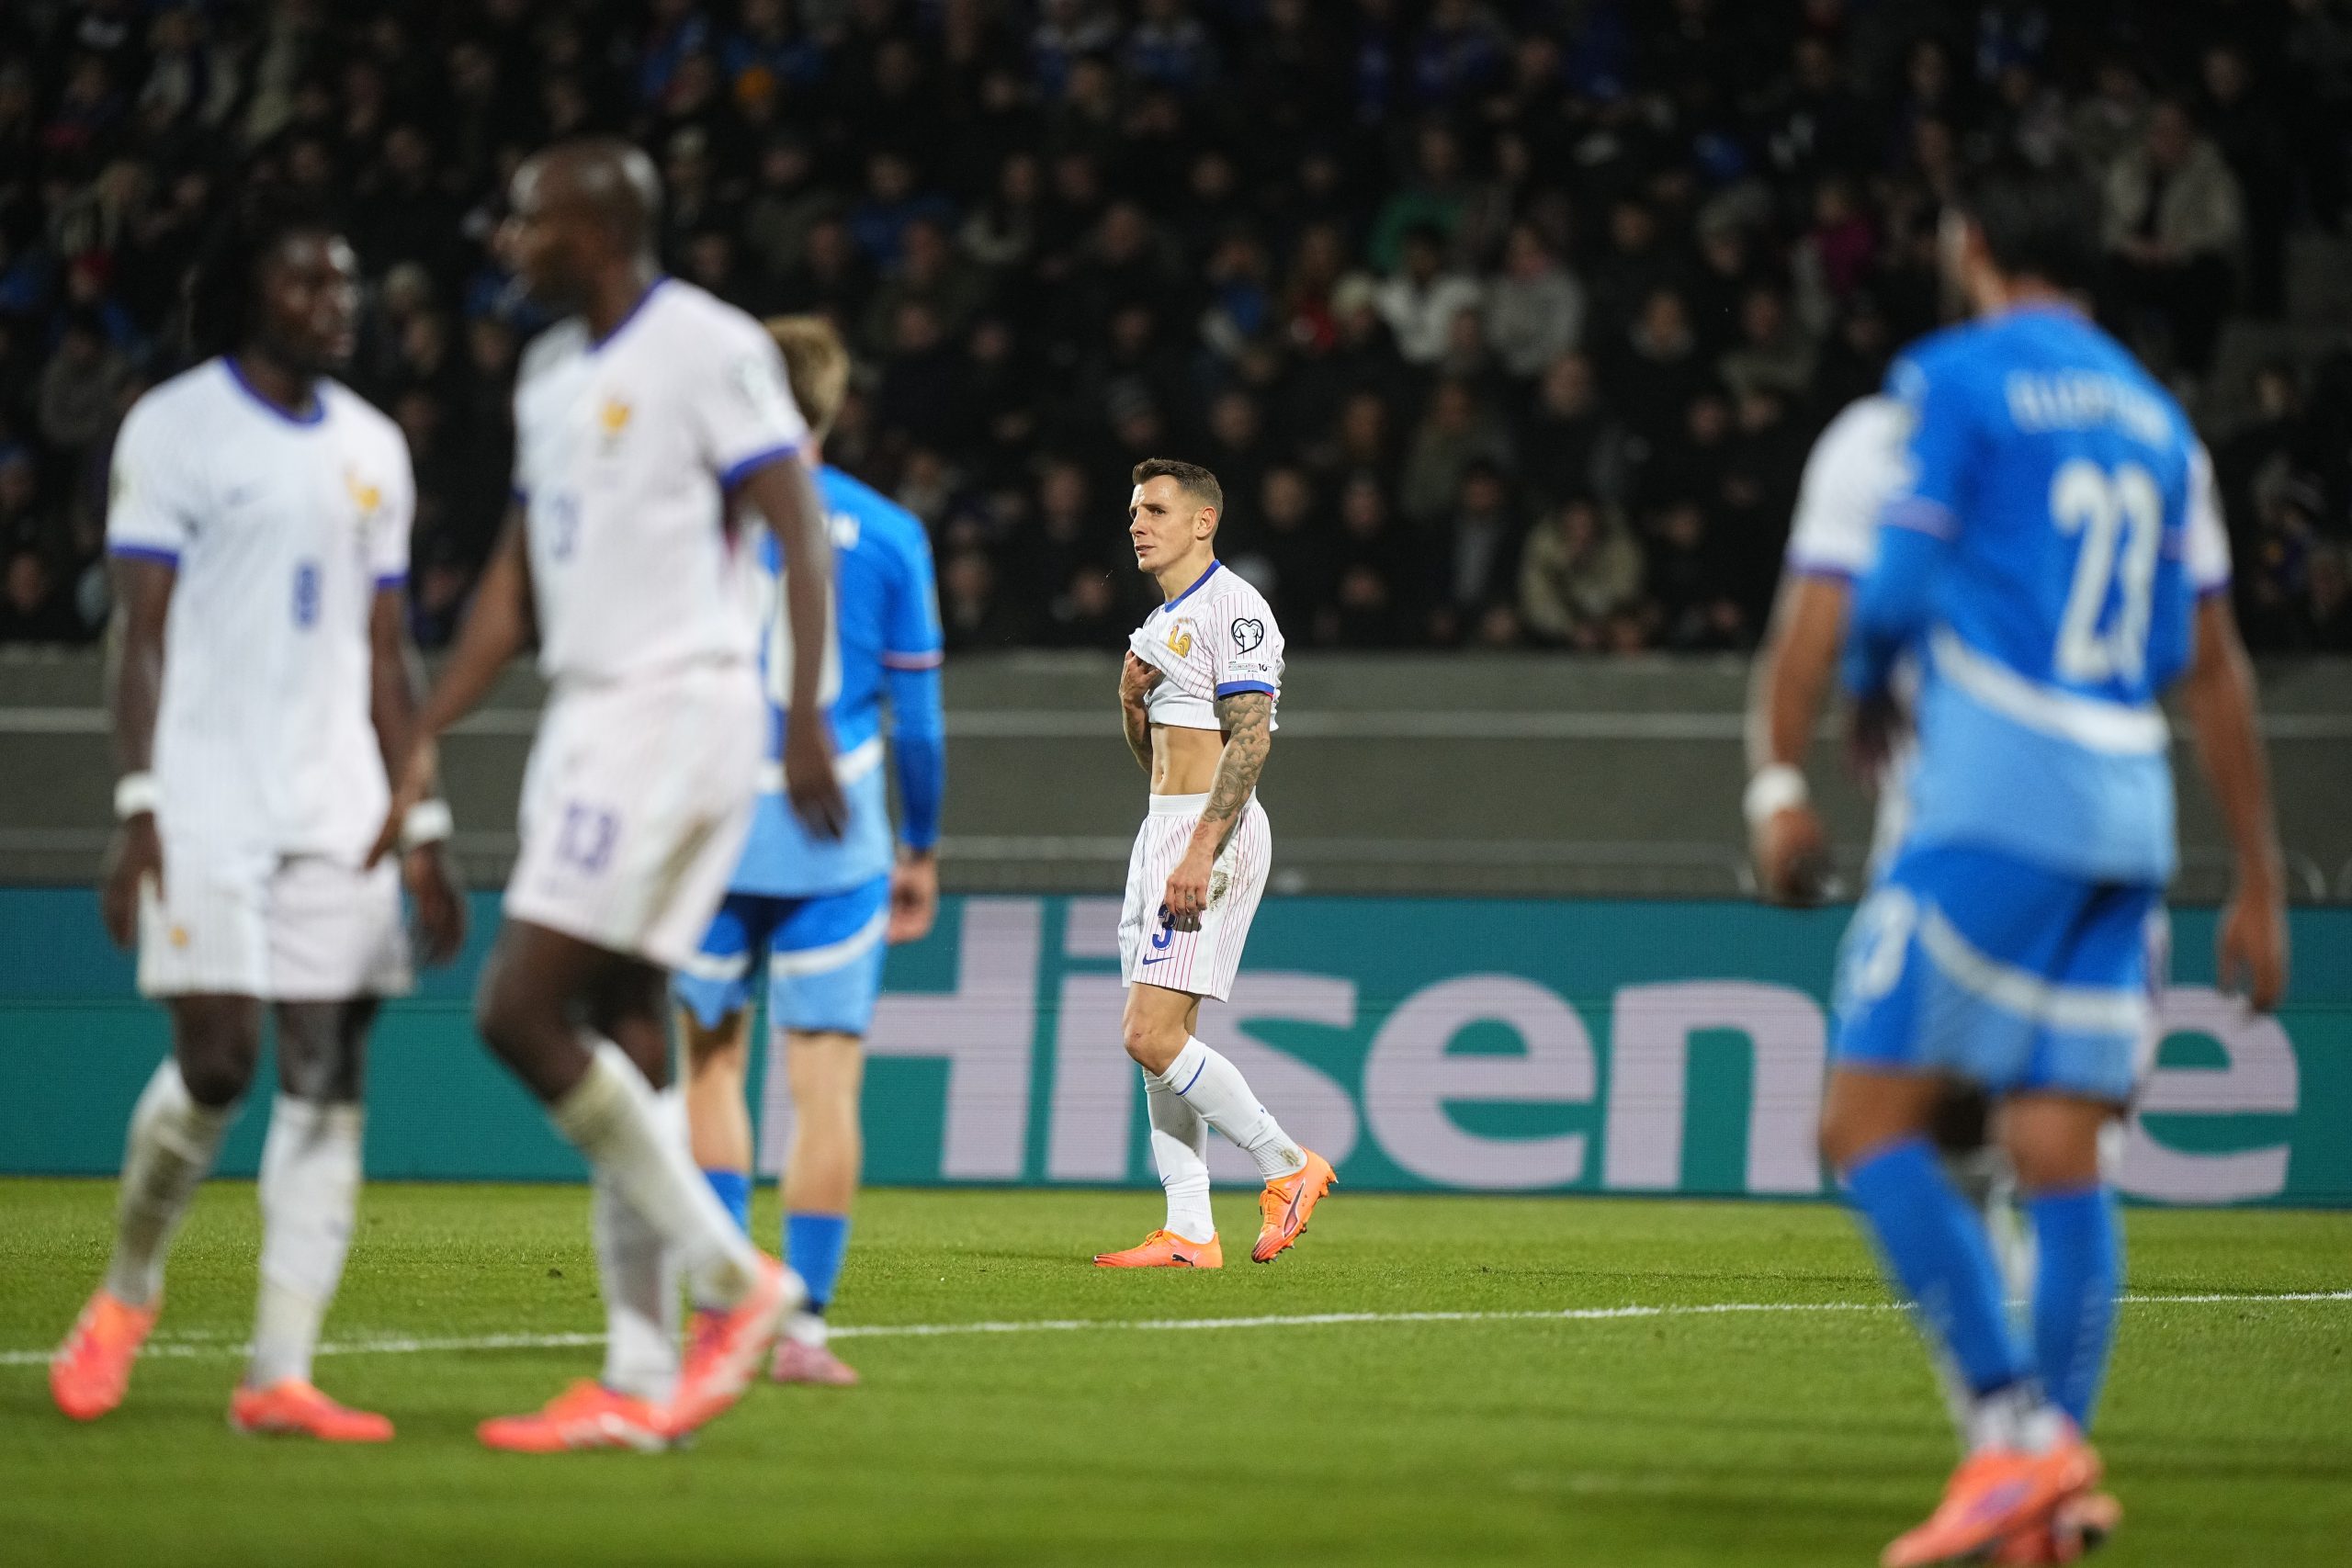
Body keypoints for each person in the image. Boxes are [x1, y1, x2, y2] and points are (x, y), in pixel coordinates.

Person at [1815, 159, 2289, 1565]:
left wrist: (1868, 677)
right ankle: (2052, 1487)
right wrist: (2259, 874)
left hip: (1998, 798)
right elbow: (2210, 660)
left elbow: (1896, 581)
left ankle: (2014, 1435)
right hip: (2128, 811)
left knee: (1866, 1121)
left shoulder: (1956, 379)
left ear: (1971, 246)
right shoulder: (2160, 421)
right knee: (2059, 1144)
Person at [373, 139, 848, 1452]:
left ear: (595, 227)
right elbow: (515, 581)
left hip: (675, 705)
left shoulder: (706, 346)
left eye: (529, 220)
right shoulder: (545, 373)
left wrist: (804, 709)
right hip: (589, 714)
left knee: (518, 1008)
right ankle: (639, 1380)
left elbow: (798, 523)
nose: (509, 241)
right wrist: (422, 723)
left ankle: (734, 1281)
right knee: (628, 1026)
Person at [50, 200, 466, 1441]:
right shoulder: (174, 427)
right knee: (219, 1060)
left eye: (345, 284)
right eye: (308, 284)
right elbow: (140, 634)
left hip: (339, 805)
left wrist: (423, 820)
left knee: (328, 1072)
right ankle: (127, 1290)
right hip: (207, 795)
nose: (337, 304)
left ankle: (279, 1372)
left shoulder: (375, 447)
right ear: (249, 295)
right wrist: (138, 804)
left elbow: (386, 652)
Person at [673, 315, 946, 1387]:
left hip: (712, 824)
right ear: (836, 404)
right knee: (824, 1087)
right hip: (835, 836)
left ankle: (719, 1315)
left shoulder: (700, 518)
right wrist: (919, 846)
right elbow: (918, 724)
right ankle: (804, 1333)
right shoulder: (889, 532)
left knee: (710, 1067)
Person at [1094, 457, 1334, 1270]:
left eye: (1156, 509)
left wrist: (1201, 850)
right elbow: (1157, 763)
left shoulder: (1235, 608)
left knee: (1148, 1033)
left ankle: (1286, 1162)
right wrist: (1131, 703)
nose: (1138, 523)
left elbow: (1251, 740)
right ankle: (1190, 1228)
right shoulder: (1160, 622)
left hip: (1208, 836)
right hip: (1162, 828)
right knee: (1164, 1041)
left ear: (1204, 522)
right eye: (1135, 510)